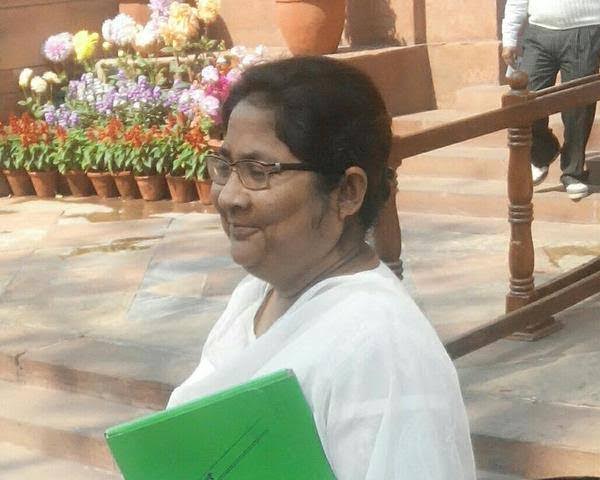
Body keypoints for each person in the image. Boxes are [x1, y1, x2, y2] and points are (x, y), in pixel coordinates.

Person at [167, 56, 476, 479]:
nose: (228, 197)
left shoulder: (381, 346)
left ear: (347, 192)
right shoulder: (256, 296)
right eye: (225, 167)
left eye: (258, 171)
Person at [501, 0, 600, 200]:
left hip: (586, 29)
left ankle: (573, 171)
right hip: (539, 32)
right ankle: (543, 150)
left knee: (578, 106)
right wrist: (509, 39)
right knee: (526, 99)